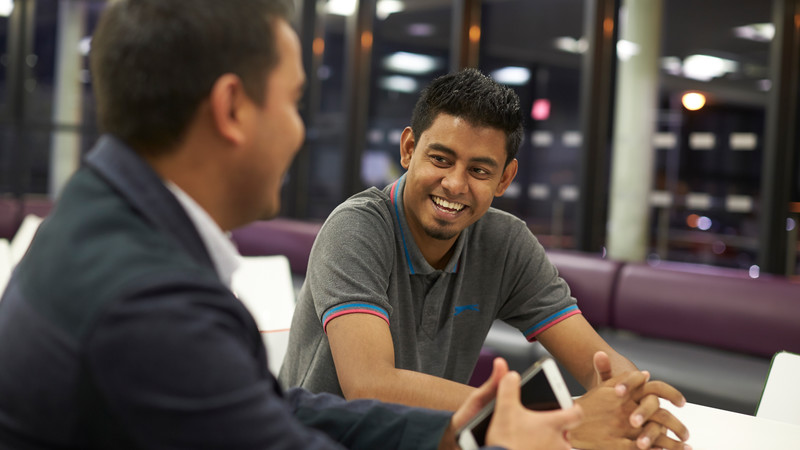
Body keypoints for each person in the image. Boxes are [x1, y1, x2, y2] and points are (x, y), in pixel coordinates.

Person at [0, 1, 591, 449]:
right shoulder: (148, 300)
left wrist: (464, 428)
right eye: (293, 101)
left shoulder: (104, 226)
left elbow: (273, 406)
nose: (301, 132)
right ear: (232, 109)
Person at [279, 68, 691, 450]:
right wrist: (561, 420)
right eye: (440, 159)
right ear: (409, 149)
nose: (455, 184)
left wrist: (632, 408)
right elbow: (371, 384)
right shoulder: (357, 228)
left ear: (504, 179)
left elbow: (597, 361)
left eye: (479, 171)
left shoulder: (505, 241)